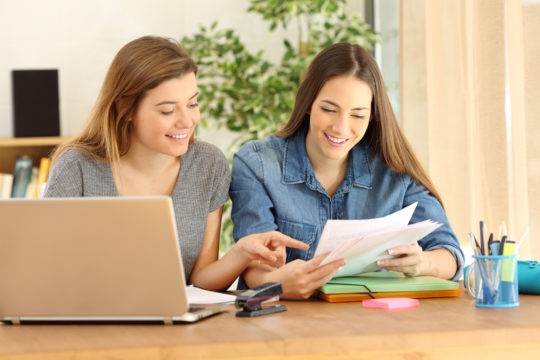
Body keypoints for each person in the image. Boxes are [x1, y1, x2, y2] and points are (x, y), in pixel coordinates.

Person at [44, 36, 308, 292]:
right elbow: (48, 269)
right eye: (168, 110)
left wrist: (241, 253)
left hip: (175, 324)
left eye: (192, 104)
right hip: (91, 320)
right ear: (125, 108)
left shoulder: (208, 164)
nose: (187, 120)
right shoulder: (76, 167)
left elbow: (200, 280)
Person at [230, 42, 465, 299]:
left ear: (373, 116)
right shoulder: (258, 164)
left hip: (374, 321)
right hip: (286, 325)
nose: (341, 128)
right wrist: (279, 284)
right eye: (329, 109)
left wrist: (422, 263)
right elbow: (252, 266)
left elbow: (450, 254)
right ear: (308, 103)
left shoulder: (393, 168)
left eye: (358, 115)